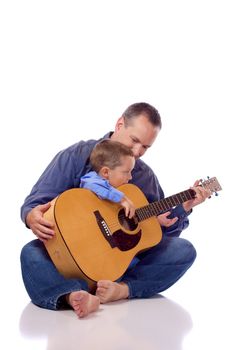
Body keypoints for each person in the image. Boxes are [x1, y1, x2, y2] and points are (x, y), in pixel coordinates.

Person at [20, 102, 211, 318]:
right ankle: (73, 294)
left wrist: (183, 209)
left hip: (118, 263)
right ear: (120, 125)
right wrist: (31, 215)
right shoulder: (76, 155)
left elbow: (153, 236)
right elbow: (36, 202)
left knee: (182, 250)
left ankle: (122, 289)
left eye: (146, 147)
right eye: (135, 140)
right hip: (71, 259)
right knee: (31, 253)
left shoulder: (144, 176)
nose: (138, 152)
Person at [80, 139, 136, 219]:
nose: (130, 177)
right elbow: (94, 186)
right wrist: (122, 199)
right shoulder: (91, 179)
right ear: (106, 172)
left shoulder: (117, 189)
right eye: (126, 172)